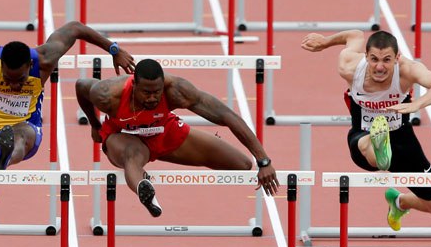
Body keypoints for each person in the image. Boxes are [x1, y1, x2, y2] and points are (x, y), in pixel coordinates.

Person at [0, 21, 136, 233]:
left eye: (19, 79)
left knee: (19, 137)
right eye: (8, 80)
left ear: (30, 65)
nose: (13, 86)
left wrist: (114, 49)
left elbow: (75, 28)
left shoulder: (46, 58)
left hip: (26, 127)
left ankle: (6, 157)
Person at [75, 58, 279, 217]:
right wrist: (95, 124)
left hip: (163, 131)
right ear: (134, 85)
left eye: (156, 92)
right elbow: (81, 86)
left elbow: (227, 116)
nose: (152, 98)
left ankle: (144, 173)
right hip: (123, 137)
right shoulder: (108, 93)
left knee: (241, 165)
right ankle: (144, 191)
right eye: (146, 93)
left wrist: (263, 160)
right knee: (134, 154)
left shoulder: (177, 91)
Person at [300, 29, 431, 230]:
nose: (379, 67)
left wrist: (417, 104)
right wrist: (325, 42)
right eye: (373, 59)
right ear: (365, 56)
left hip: (403, 141)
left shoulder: (407, 70)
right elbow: (354, 35)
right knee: (370, 148)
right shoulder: (349, 66)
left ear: (397, 58)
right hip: (362, 136)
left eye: (386, 60)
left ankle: (400, 202)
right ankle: (379, 148)